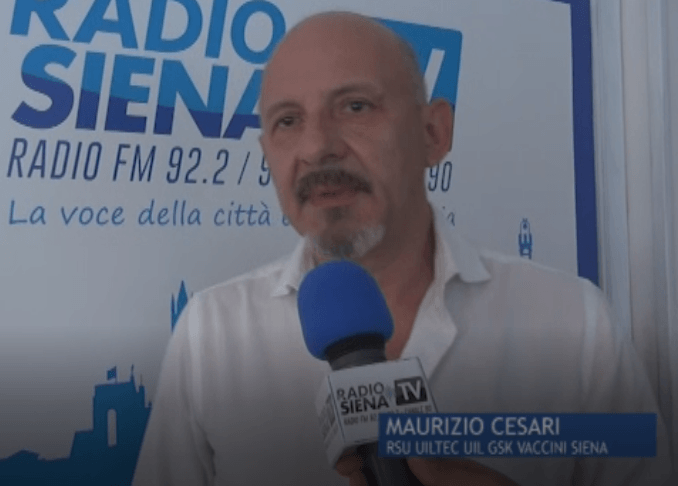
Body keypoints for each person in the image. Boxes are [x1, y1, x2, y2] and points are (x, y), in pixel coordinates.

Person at [132, 10, 672, 486]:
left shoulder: (576, 324)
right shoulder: (209, 334)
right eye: (287, 121)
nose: (317, 147)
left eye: (355, 106)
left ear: (434, 133)